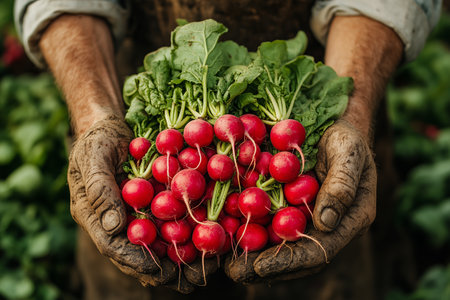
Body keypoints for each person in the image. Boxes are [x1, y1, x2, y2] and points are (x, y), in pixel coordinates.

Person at [14, 1, 441, 299]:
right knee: (127, 246)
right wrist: (95, 119)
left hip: (326, 100)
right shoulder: (190, 160)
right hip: (125, 99)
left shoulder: (250, 156)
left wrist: (353, 113)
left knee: (331, 232)